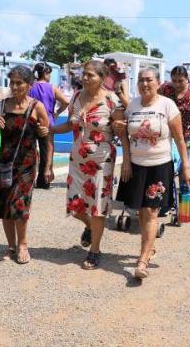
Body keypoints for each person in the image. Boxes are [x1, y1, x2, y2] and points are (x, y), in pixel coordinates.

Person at [115, 68, 190, 280]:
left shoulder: (167, 105)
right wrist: (126, 162)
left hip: (159, 165)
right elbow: (125, 138)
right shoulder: (133, 105)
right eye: (141, 80)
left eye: (149, 80)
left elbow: (179, 139)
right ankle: (149, 248)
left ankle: (142, 260)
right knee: (140, 211)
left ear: (158, 82)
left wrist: (186, 166)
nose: (145, 84)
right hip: (136, 166)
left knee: (151, 213)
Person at [46, 60, 121, 269]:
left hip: (101, 161)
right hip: (77, 160)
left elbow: (121, 131)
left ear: (102, 77)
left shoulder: (111, 100)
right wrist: (50, 129)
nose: (86, 78)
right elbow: (70, 125)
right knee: (76, 206)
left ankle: (95, 250)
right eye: (84, 74)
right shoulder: (77, 97)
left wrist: (128, 162)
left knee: (98, 206)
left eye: (91, 75)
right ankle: (89, 226)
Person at [0, 66, 52, 264]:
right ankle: (11, 246)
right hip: (3, 162)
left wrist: (47, 167)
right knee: (5, 204)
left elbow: (46, 137)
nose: (14, 86)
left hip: (27, 164)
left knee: (19, 204)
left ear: (29, 85)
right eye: (12, 82)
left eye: (19, 83)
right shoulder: (3, 106)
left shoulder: (36, 107)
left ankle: (23, 245)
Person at [158, 66, 190, 189]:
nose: (177, 84)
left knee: (186, 165)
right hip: (169, 133)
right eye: (174, 80)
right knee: (168, 165)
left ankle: (185, 195)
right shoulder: (164, 88)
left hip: (189, 134)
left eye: (180, 81)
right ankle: (168, 197)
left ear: (187, 79)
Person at [30, 62, 69, 189]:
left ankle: (29, 179)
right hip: (48, 121)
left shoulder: (30, 87)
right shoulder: (52, 88)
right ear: (46, 73)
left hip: (32, 121)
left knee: (30, 150)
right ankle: (44, 180)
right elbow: (66, 102)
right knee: (47, 150)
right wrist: (57, 113)